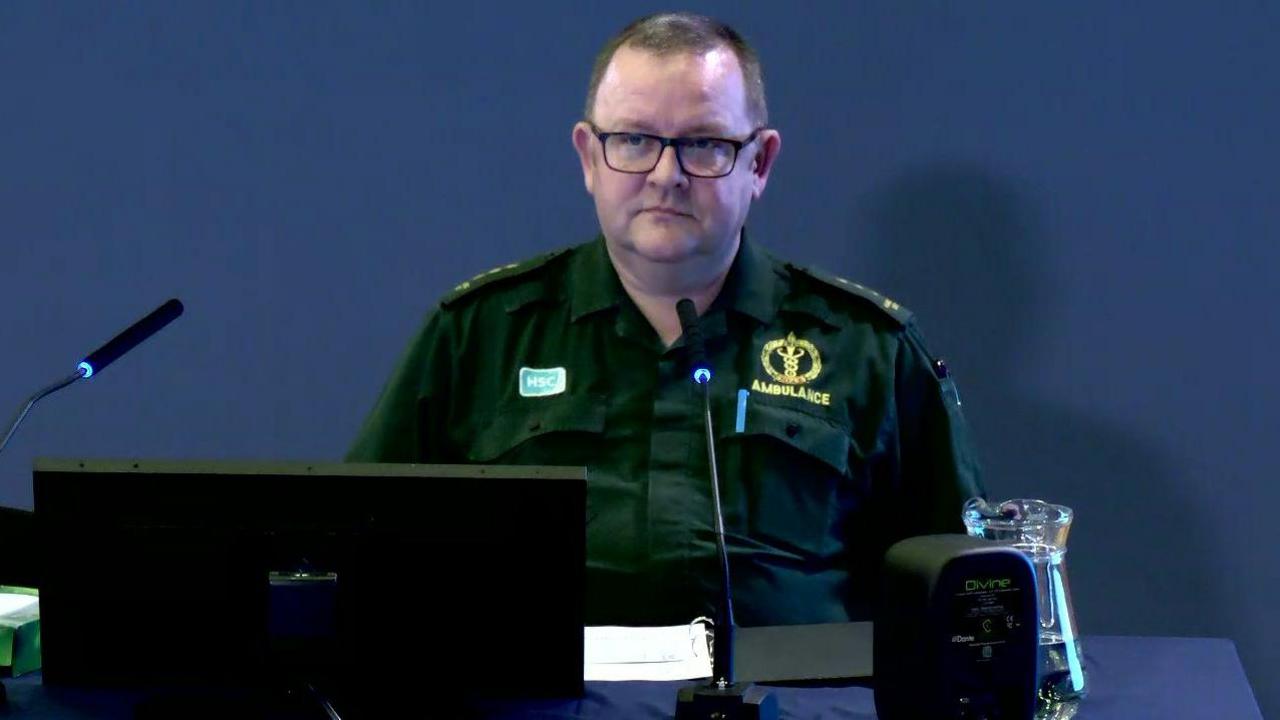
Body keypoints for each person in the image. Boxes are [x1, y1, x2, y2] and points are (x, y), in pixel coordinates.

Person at [347, 12, 982, 627]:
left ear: (758, 163)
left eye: (704, 144)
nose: (665, 175)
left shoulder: (868, 349)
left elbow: (965, 588)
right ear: (588, 158)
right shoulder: (479, 336)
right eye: (633, 140)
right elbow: (354, 548)